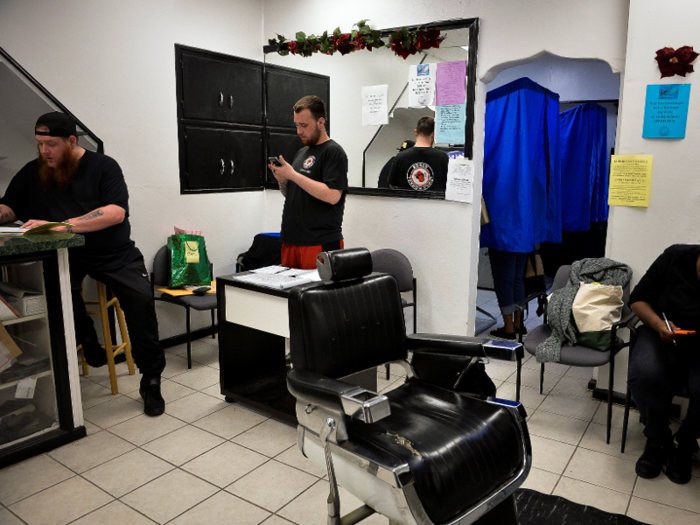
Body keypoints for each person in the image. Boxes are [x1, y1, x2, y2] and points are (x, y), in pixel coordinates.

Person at [0, 112, 166, 417]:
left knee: (141, 300)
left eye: (51, 144)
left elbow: (115, 213)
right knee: (55, 291)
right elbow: (10, 208)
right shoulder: (32, 171)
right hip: (67, 255)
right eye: (39, 144)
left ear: (72, 141)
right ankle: (88, 340)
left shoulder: (103, 166)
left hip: (115, 254)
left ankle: (151, 379)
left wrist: (61, 226)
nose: (44, 151)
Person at [628, 244, 700, 484]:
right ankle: (658, 438)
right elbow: (637, 300)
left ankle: (686, 444)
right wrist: (659, 324)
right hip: (661, 335)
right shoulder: (676, 257)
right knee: (646, 374)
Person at [268, 96, 348, 270]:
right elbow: (293, 193)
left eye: (304, 125)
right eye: (297, 125)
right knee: (289, 296)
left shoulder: (334, 152)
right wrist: (284, 181)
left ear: (320, 122)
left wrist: (294, 175)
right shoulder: (302, 152)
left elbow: (333, 195)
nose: (299, 131)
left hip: (319, 241)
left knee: (317, 295)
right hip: (291, 240)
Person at [388, 116, 449, 192]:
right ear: (433, 135)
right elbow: (448, 186)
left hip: (407, 203)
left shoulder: (400, 157)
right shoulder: (443, 157)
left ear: (415, 132)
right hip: (434, 203)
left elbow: (393, 186)